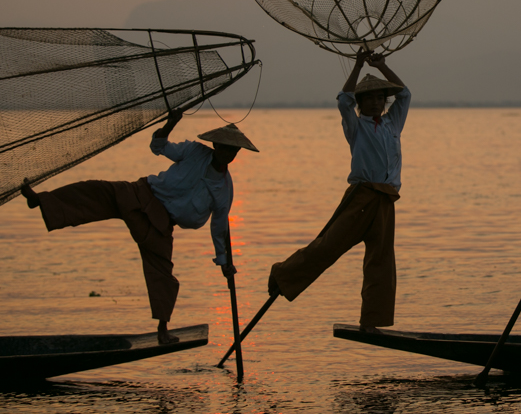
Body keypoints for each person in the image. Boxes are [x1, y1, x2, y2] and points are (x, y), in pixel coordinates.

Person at [20, 110, 258, 344]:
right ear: (215, 146)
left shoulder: (224, 189)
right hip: (142, 194)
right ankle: (40, 200)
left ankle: (162, 330)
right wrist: (169, 124)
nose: (229, 153)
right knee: (97, 191)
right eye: (226, 147)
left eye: (234, 150)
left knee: (163, 273)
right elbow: (159, 146)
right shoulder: (195, 151)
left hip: (161, 223)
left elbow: (219, 227)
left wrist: (224, 263)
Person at [268, 49, 410, 332]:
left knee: (380, 261)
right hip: (361, 196)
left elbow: (404, 94)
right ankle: (283, 274)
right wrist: (358, 66)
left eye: (379, 97)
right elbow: (344, 100)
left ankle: (373, 321)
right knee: (330, 245)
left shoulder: (393, 123)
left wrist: (383, 66)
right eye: (368, 98)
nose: (375, 102)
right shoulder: (357, 126)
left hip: (386, 200)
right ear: (361, 103)